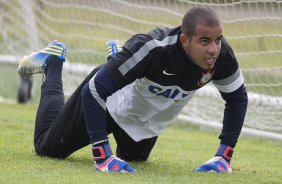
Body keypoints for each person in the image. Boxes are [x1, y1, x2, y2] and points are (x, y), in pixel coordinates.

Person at [17, 6, 248, 173]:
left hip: (144, 119)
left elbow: (237, 98)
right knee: (48, 148)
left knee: (134, 160)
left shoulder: (222, 57)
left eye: (218, 39)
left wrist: (223, 157)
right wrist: (102, 156)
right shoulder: (153, 49)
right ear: (185, 40)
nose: (214, 49)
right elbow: (94, 91)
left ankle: (118, 61)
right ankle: (52, 64)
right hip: (108, 101)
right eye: (205, 41)